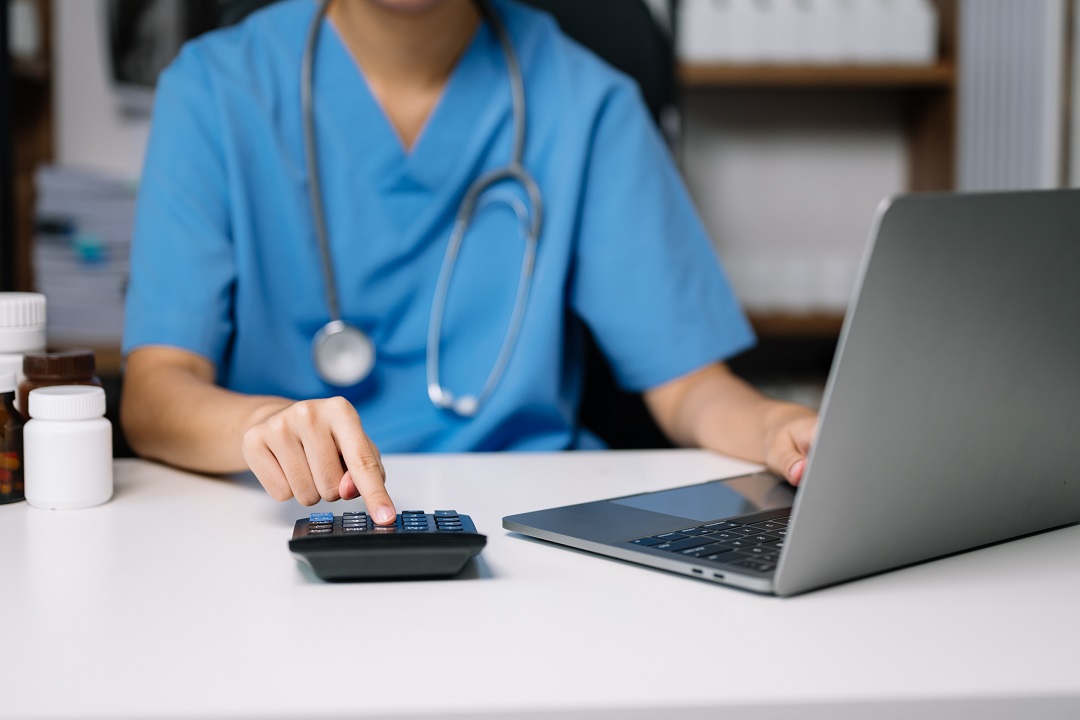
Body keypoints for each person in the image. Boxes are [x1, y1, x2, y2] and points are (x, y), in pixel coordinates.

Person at [120, 0, 818, 525]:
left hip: (530, 522)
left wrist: (771, 429)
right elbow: (155, 394)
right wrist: (260, 427)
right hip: (285, 519)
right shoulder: (214, 89)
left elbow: (690, 385)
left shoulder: (588, 102)